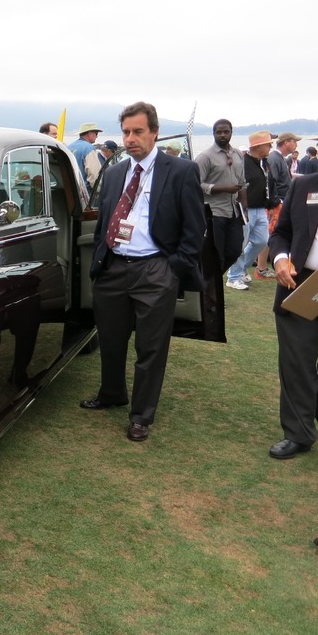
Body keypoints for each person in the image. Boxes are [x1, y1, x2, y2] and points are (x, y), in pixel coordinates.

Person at [79, 101, 205, 442]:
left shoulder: (180, 171)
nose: (130, 138)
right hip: (114, 268)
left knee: (150, 348)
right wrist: (100, 264)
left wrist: (172, 268)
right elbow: (106, 219)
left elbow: (195, 230)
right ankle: (112, 393)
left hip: (155, 269)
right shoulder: (117, 171)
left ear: (154, 133)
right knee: (111, 338)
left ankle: (141, 415)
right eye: (125, 132)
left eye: (137, 132)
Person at [267, 171, 318, 458]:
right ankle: (299, 433)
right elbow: (282, 233)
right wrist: (280, 259)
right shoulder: (304, 185)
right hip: (301, 284)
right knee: (296, 362)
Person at [194, 119, 246, 275]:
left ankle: (212, 281)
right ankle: (210, 288)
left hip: (234, 212)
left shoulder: (238, 154)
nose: (222, 135)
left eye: (226, 132)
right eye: (219, 132)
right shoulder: (205, 157)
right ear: (213, 133)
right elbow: (196, 184)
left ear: (231, 132)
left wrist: (245, 208)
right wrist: (222, 188)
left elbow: (242, 183)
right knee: (215, 255)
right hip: (214, 213)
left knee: (235, 251)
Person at [226, 131, 276, 290]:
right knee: (241, 244)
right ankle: (233, 277)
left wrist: (270, 204)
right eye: (268, 144)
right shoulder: (243, 163)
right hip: (245, 210)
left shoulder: (261, 163)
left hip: (260, 209)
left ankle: (240, 270)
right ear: (258, 146)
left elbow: (263, 188)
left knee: (261, 241)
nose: (271, 146)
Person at [255, 132, 300, 279]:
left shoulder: (280, 158)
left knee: (272, 234)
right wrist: (273, 204)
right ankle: (261, 268)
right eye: (294, 141)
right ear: (286, 142)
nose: (296, 145)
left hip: (281, 202)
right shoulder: (275, 158)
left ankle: (263, 266)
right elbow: (270, 181)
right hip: (277, 203)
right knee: (272, 234)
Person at [68, 122, 103, 189]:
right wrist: (98, 191)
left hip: (71, 190)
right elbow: (94, 174)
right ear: (89, 133)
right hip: (85, 192)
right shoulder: (89, 148)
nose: (97, 136)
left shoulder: (69, 147)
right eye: (96, 133)